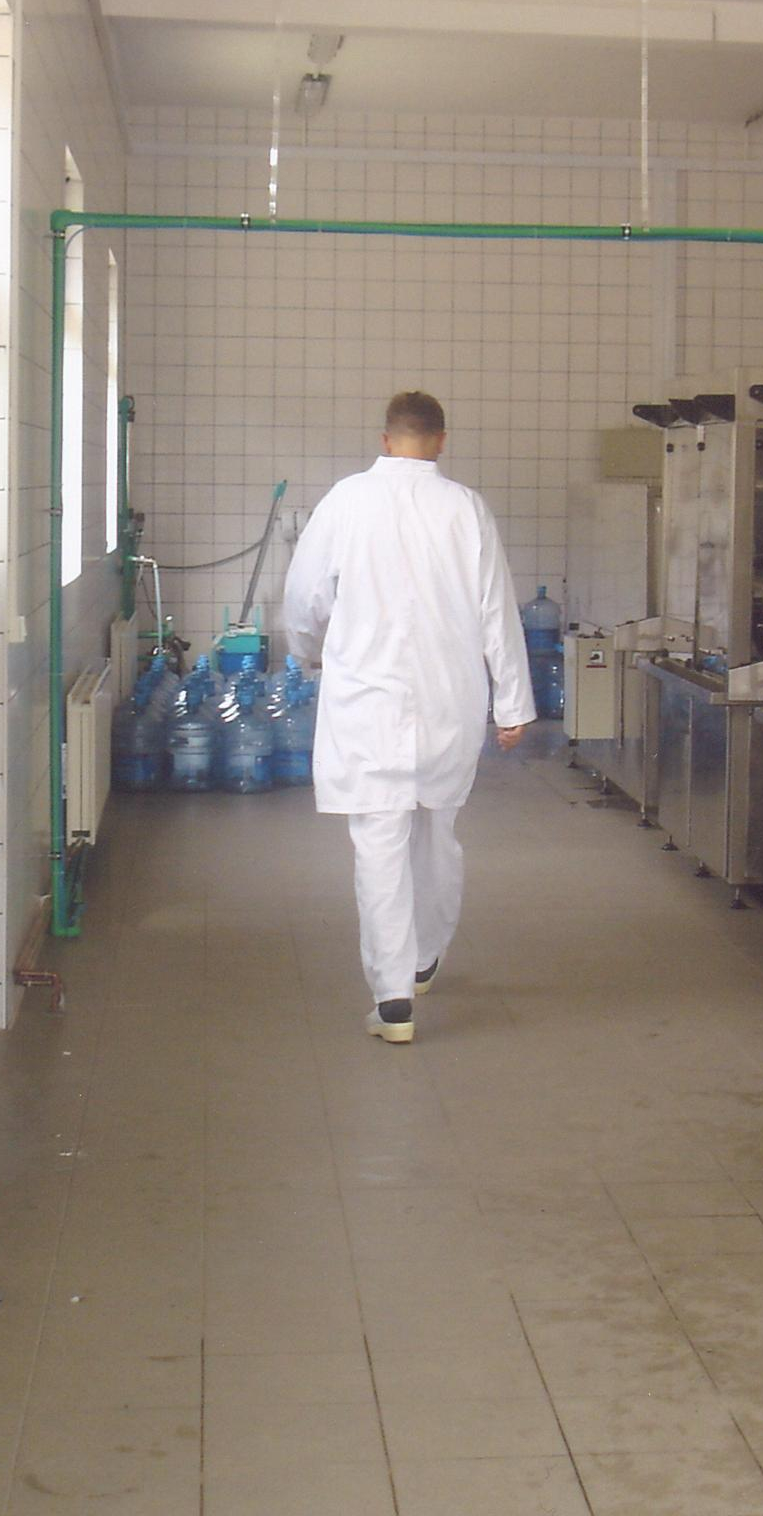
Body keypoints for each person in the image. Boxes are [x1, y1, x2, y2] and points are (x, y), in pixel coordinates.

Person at [282, 390, 535, 1043]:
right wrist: (513, 703)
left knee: (379, 843)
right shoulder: (466, 508)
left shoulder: (346, 500)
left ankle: (393, 999)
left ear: (385, 439)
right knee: (437, 831)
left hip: (368, 702)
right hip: (449, 701)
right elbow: (497, 611)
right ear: (441, 441)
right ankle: (424, 958)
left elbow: (305, 596)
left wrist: (308, 653)